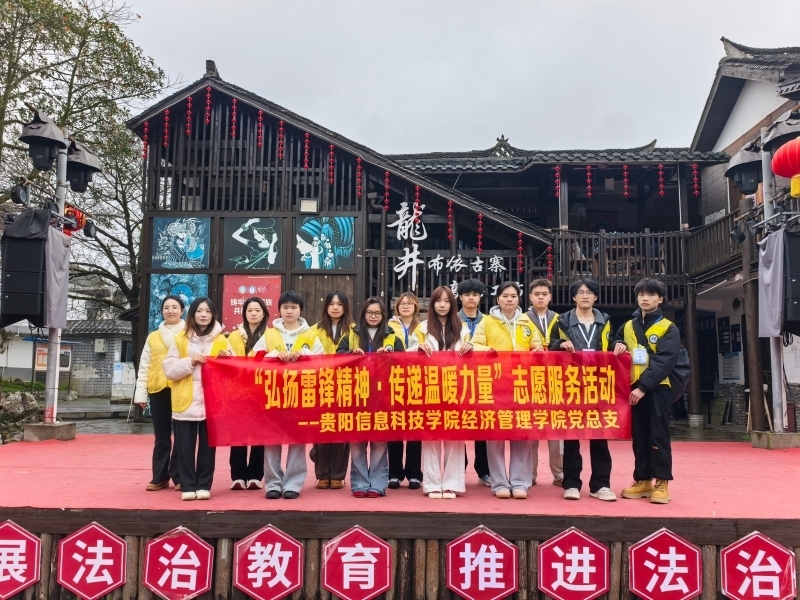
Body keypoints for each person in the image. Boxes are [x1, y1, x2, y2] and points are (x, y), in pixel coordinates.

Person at [470, 281, 543, 499]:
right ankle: (499, 483)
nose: (509, 299)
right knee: (495, 435)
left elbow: (537, 345)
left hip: (522, 385)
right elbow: (475, 345)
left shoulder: (527, 321)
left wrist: (538, 350)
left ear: (518, 299)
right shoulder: (487, 322)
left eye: (513, 296)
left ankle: (520, 482)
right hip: (495, 385)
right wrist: (487, 349)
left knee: (522, 433)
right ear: (498, 299)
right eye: (505, 296)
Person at [614, 278, 681, 504]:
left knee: (658, 435)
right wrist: (618, 344)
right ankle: (642, 479)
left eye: (651, 294)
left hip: (657, 389)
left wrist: (643, 387)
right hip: (633, 388)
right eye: (641, 294)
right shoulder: (627, 326)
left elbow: (665, 360)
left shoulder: (668, 327)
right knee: (640, 436)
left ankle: (662, 482)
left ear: (660, 299)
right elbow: (617, 341)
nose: (645, 298)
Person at [253, 291, 324, 499]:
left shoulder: (310, 335)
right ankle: (273, 484)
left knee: (297, 439)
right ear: (279, 310)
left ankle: (293, 483)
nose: (289, 311)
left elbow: (322, 362)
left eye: (294, 307)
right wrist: (275, 355)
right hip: (273, 393)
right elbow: (255, 359)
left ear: (300, 310)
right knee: (271, 440)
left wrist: (305, 355)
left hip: (301, 394)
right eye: (285, 307)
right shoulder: (269, 334)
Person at [551, 279, 616, 502]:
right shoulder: (562, 321)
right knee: (571, 437)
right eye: (580, 292)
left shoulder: (605, 321)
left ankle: (601, 484)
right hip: (572, 384)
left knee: (600, 437)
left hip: (598, 384)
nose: (585, 296)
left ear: (596, 297)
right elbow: (550, 345)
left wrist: (620, 344)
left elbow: (612, 345)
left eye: (589, 292)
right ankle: (571, 484)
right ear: (574, 297)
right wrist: (560, 344)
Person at [163, 297, 232, 501]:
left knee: (208, 448)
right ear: (192, 314)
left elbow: (233, 371)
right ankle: (187, 485)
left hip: (213, 402)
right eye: (199, 311)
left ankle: (204, 485)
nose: (203, 315)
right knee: (185, 447)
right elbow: (169, 370)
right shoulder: (180, 339)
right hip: (186, 400)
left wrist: (227, 358)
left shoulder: (222, 340)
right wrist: (190, 362)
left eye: (208, 311)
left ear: (213, 315)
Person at [337, 297, 405, 497]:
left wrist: (389, 356)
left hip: (382, 396)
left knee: (379, 442)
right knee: (357, 442)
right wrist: (351, 353)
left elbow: (404, 362)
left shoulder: (392, 336)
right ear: (363, 314)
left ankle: (377, 484)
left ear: (383, 315)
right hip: (356, 395)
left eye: (377, 313)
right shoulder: (351, 334)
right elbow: (337, 357)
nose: (373, 316)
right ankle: (359, 484)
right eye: (369, 313)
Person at [410, 286, 473, 499]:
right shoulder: (422, 328)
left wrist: (470, 347)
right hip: (430, 388)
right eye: (438, 301)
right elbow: (408, 354)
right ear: (433, 304)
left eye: (447, 301)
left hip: (456, 388)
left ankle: (452, 483)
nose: (443, 305)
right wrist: (418, 349)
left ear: (453, 304)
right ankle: (432, 484)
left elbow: (473, 354)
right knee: (431, 436)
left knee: (455, 437)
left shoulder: (463, 329)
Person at [135, 295, 184, 492]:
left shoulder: (188, 333)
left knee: (182, 435)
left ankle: (179, 476)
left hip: (182, 388)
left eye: (174, 307)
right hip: (158, 389)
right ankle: (160, 476)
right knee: (161, 435)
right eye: (166, 307)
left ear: (182, 311)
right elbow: (144, 366)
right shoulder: (153, 336)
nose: (170, 311)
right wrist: (140, 394)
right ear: (162, 311)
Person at [310, 291, 355, 490]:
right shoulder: (313, 330)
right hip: (320, 385)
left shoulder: (355, 330)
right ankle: (322, 474)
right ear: (326, 306)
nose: (335, 308)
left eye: (339, 304)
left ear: (345, 307)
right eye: (331, 304)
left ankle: (337, 475)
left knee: (341, 431)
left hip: (346, 385)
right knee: (321, 430)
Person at [226, 297, 269, 491]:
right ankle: (237, 475)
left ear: (264, 313)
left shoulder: (271, 335)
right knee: (238, 434)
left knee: (260, 434)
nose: (253, 313)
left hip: (262, 391)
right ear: (244, 313)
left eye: (257, 310)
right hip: (239, 391)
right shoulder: (233, 336)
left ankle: (255, 476)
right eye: (250, 310)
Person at [526, 279, 564, 487]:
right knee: (530, 432)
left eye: (544, 294)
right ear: (530, 297)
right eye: (537, 294)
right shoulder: (522, 320)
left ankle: (559, 474)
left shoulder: (561, 319)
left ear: (550, 297)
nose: (540, 297)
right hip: (530, 380)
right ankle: (529, 475)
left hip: (555, 380)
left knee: (556, 431)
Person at [456, 279, 491, 488]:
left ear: (480, 297)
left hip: (484, 377)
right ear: (460, 297)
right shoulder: (452, 320)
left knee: (483, 425)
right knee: (458, 424)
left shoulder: (489, 321)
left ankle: (484, 470)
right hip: (458, 378)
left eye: (475, 294)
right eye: (467, 294)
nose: (471, 298)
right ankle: (458, 469)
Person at [387, 292, 423, 490]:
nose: (406, 306)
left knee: (415, 426)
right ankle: (394, 473)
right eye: (402, 303)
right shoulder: (388, 326)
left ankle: (414, 473)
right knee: (395, 426)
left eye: (410, 303)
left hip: (417, 379)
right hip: (394, 379)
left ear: (415, 306)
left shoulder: (423, 326)